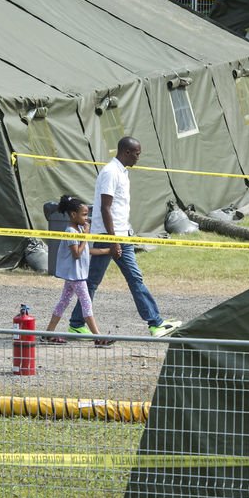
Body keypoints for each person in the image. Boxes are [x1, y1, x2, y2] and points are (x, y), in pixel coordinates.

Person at [68, 136, 181, 338]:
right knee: (113, 280)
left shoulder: (122, 172)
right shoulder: (110, 172)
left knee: (110, 280)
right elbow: (105, 208)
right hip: (110, 235)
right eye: (137, 153)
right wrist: (113, 240)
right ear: (126, 152)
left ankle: (77, 323)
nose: (138, 157)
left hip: (120, 234)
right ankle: (155, 323)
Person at [42, 195, 114, 347]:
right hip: (76, 276)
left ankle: (48, 334)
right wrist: (85, 236)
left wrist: (108, 251)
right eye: (84, 215)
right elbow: (76, 253)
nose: (87, 218)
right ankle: (98, 337)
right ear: (74, 215)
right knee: (86, 303)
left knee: (64, 302)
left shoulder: (79, 229)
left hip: (75, 275)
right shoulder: (71, 231)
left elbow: (86, 250)